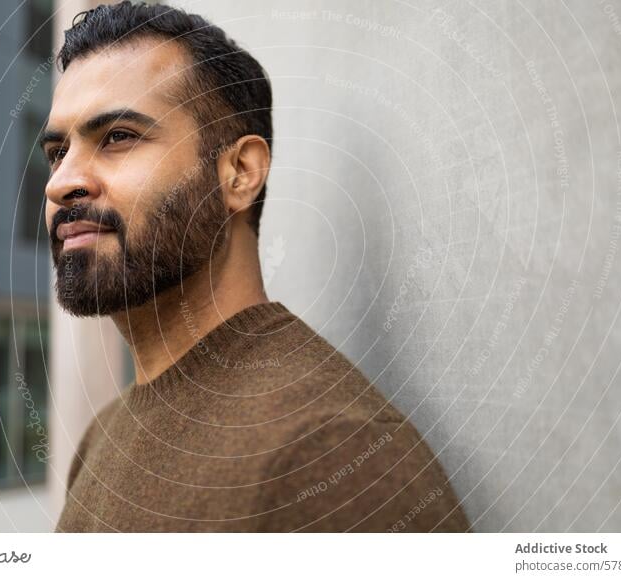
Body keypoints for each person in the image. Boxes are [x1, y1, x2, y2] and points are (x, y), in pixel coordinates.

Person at [43, 1, 470, 532]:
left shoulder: (334, 453)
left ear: (240, 173)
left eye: (119, 137)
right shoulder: (104, 435)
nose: (60, 183)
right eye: (57, 151)